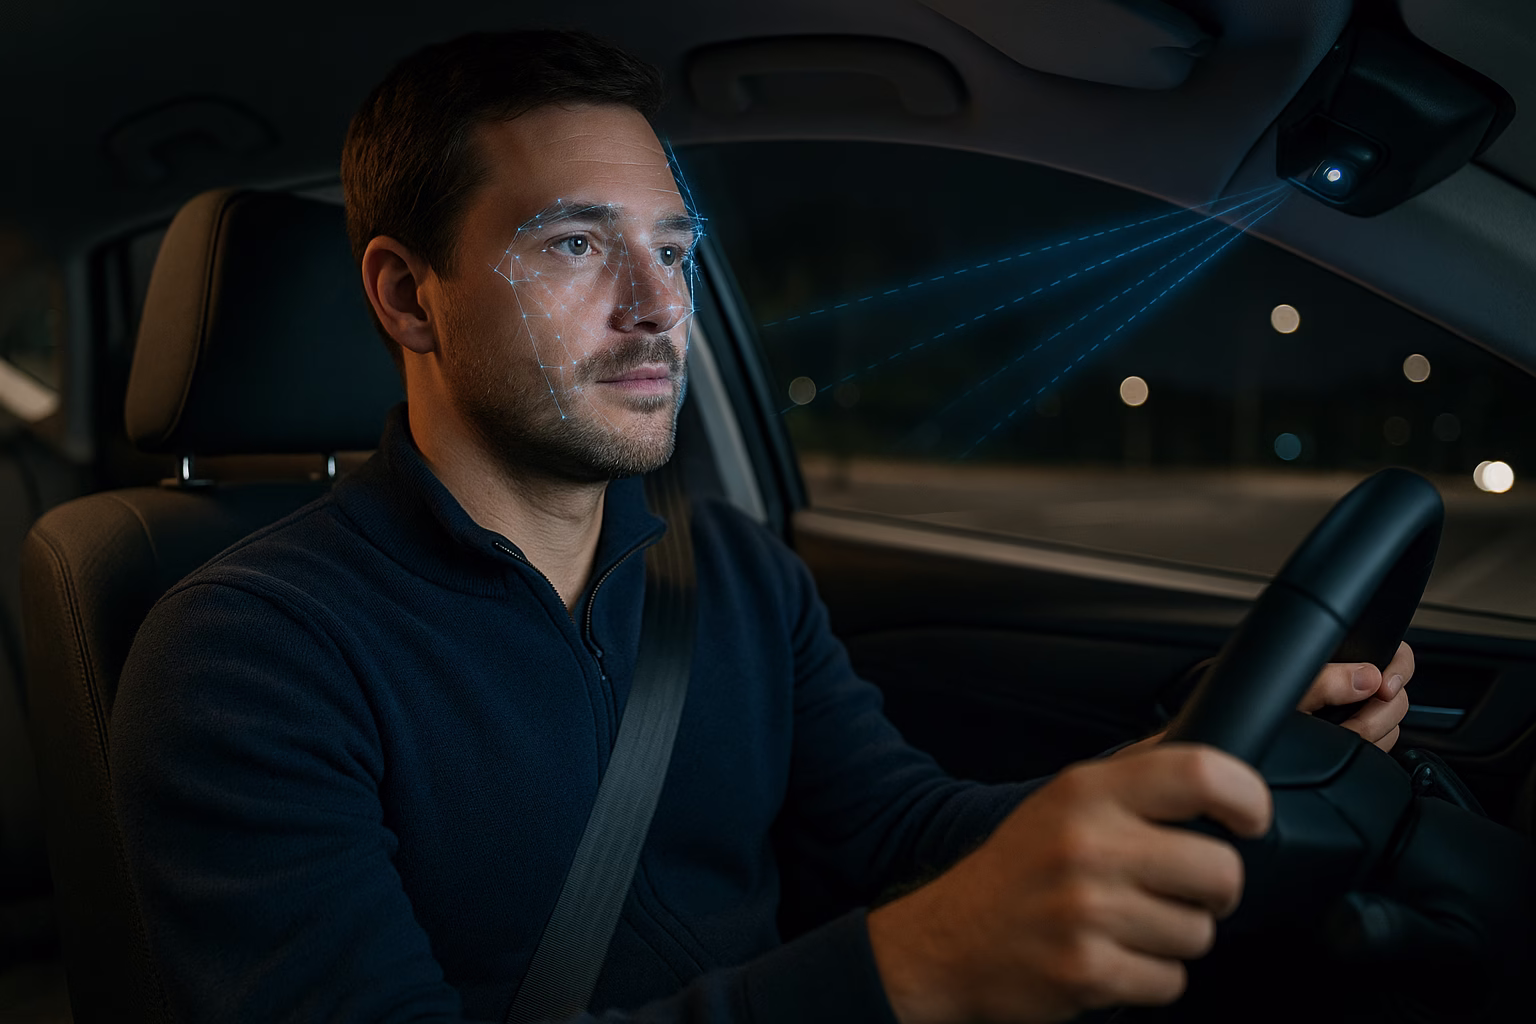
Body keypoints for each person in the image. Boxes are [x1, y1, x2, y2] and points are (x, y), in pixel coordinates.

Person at [110, 29, 1413, 1024]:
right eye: (574, 245)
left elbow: (900, 832)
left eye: (674, 252)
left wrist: (1196, 761)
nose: (655, 306)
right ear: (407, 298)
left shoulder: (725, 570)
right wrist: (908, 972)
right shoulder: (246, 659)